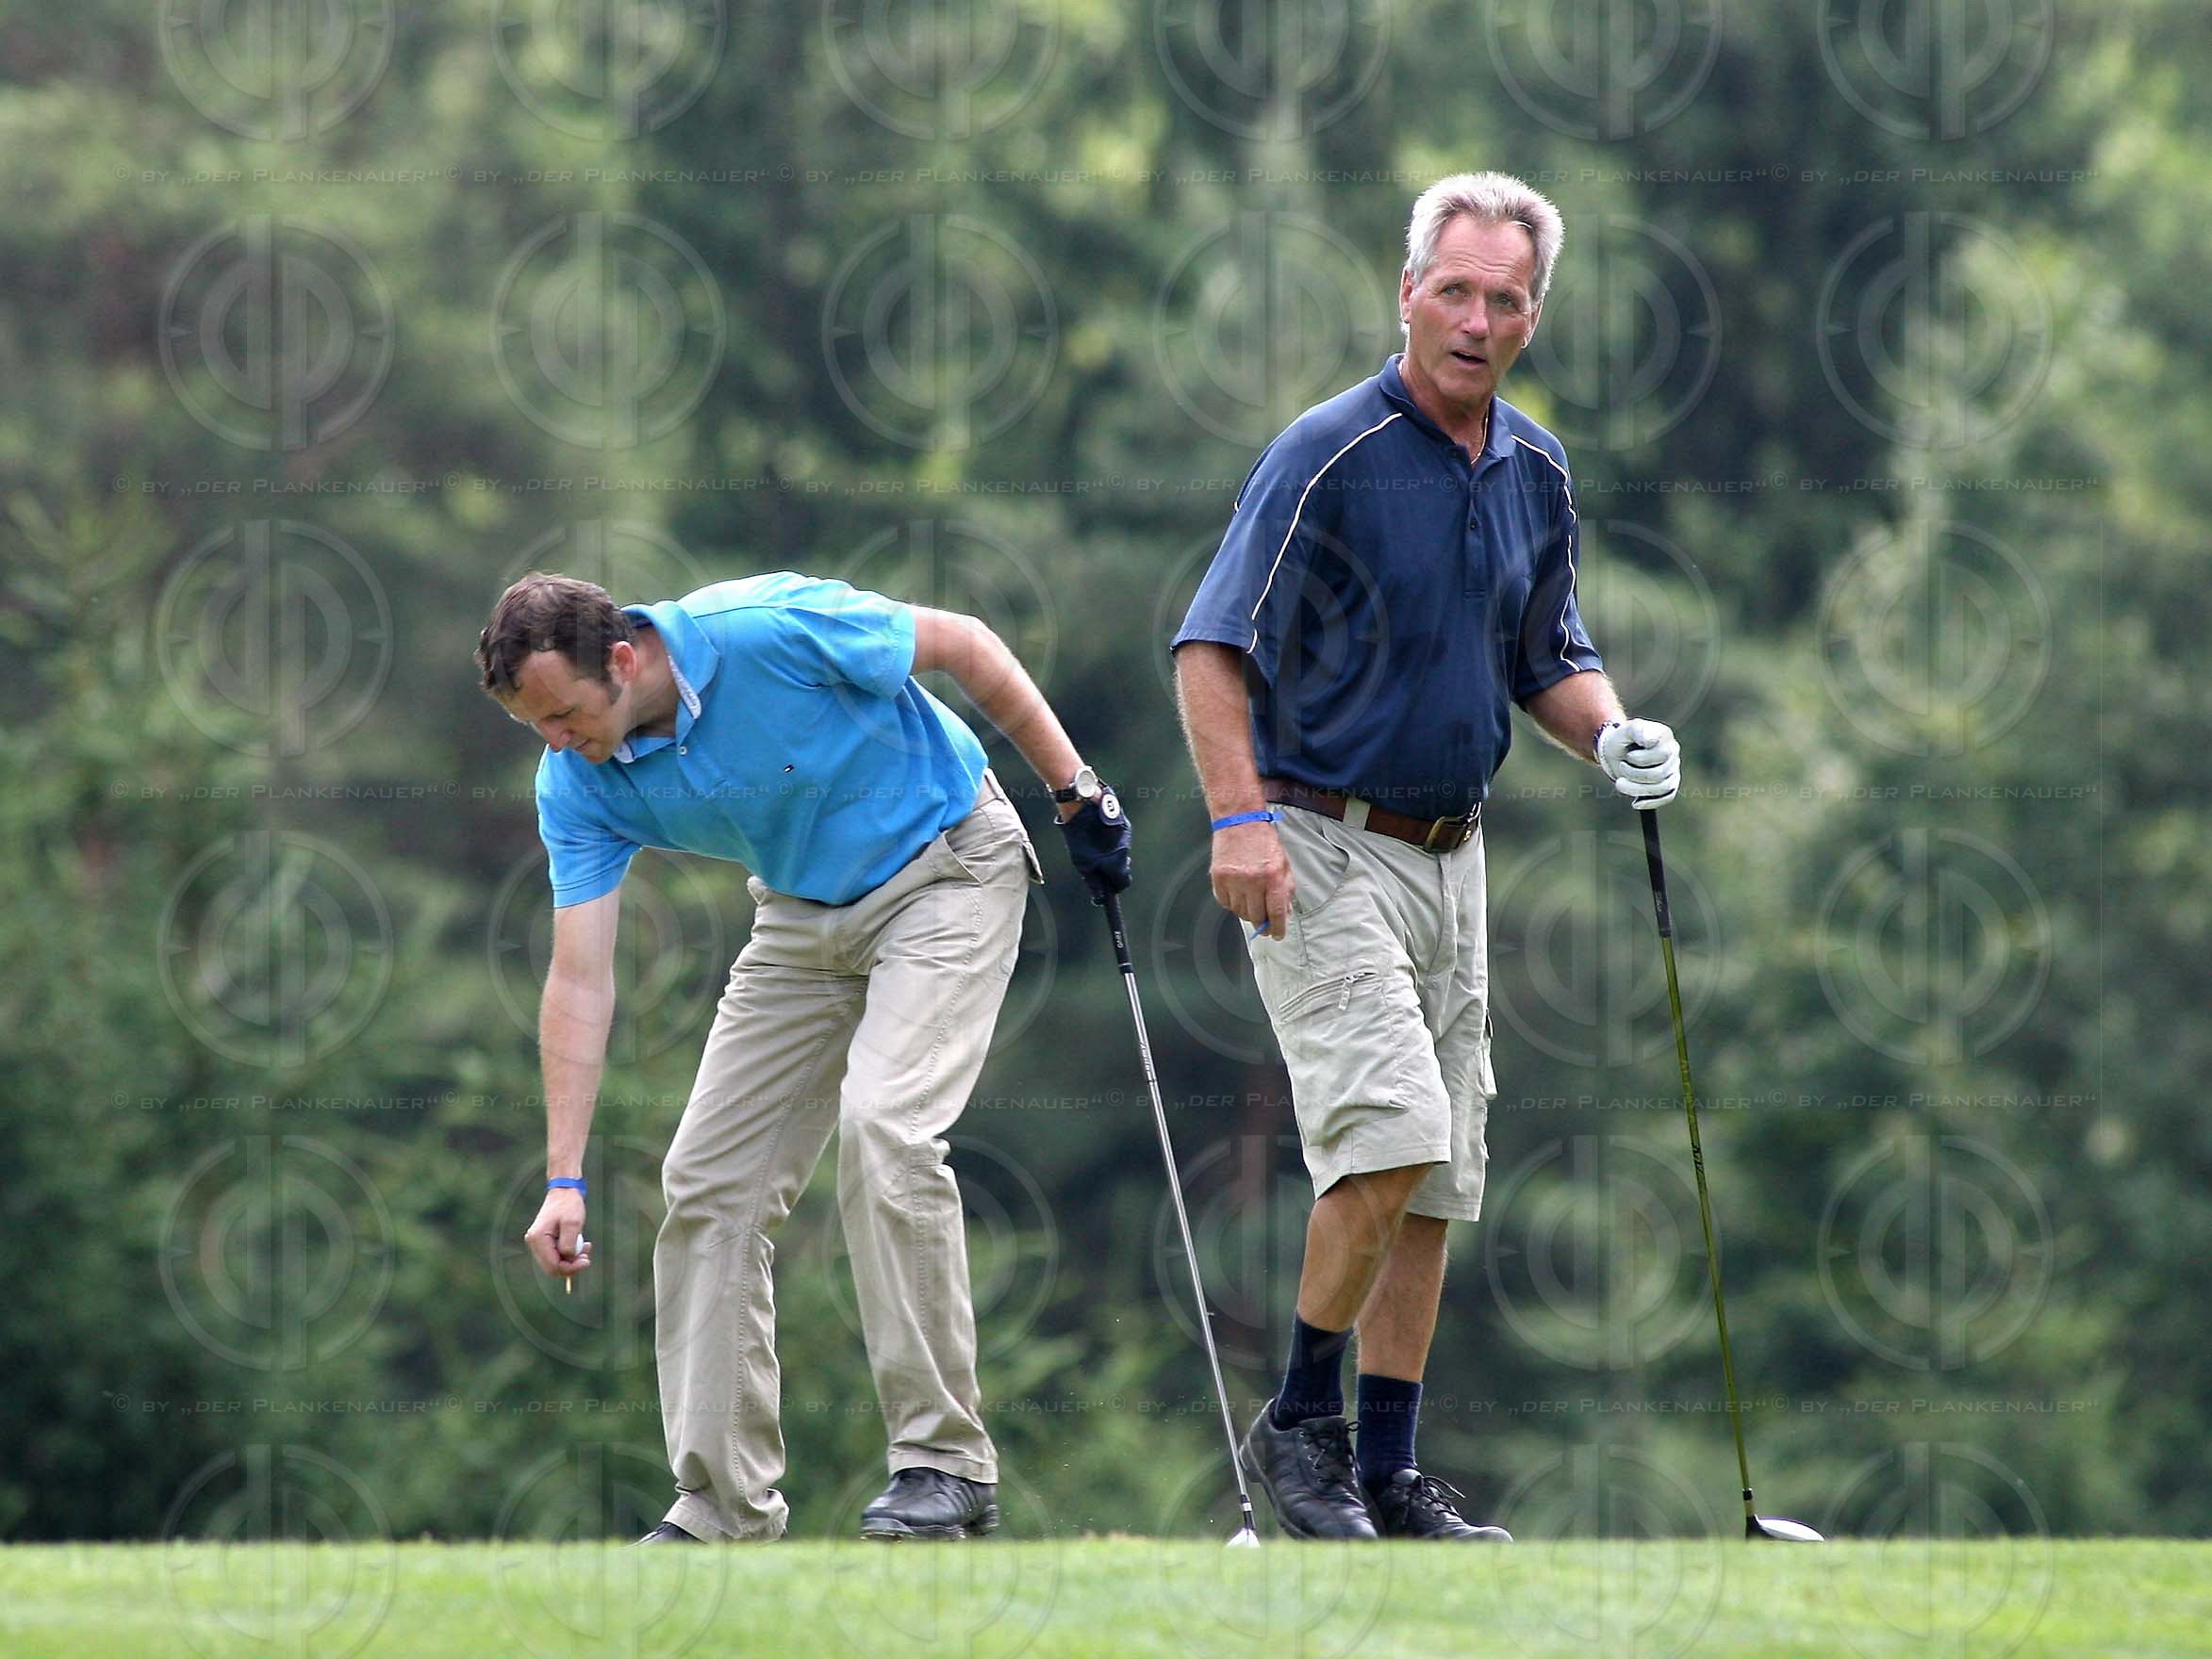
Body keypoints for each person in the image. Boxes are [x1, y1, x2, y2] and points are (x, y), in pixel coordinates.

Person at [1170, 172, 1681, 1541]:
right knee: (1392, 1133)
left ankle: (1390, 1475)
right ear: (1406, 293)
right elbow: (1211, 646)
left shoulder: (1536, 468)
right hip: (1318, 844)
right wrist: (1235, 820)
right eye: (1452, 289)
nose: (1475, 319)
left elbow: (1548, 655)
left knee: (1440, 1173)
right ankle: (1301, 1429)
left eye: (1504, 298)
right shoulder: (1326, 453)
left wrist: (1615, 735)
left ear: (1533, 315)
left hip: (1457, 860)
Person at [475, 569, 1131, 1543]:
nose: (558, 742)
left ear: (621, 658)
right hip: (801, 917)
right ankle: (720, 1508)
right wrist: (562, 1177)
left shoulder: (769, 630)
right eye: (538, 727)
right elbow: (579, 980)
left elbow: (964, 641)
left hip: (946, 868)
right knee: (708, 1183)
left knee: (887, 1127)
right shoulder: (574, 780)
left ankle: (945, 1464)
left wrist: (1077, 792)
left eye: (566, 715)